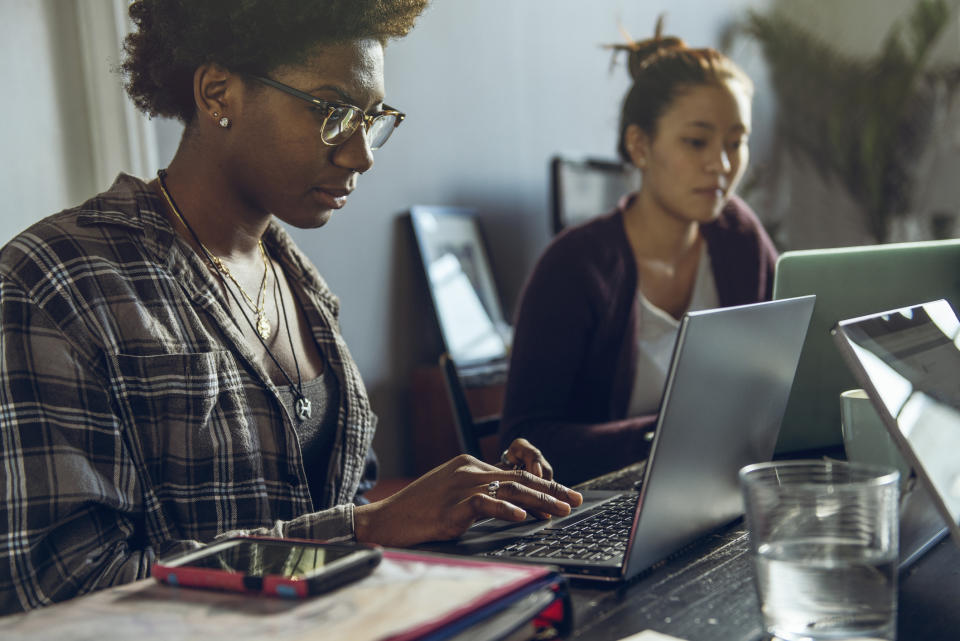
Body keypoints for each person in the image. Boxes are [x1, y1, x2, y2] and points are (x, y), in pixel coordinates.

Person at [0, 0, 582, 614]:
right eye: (333, 112)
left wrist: (467, 503)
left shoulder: (301, 285)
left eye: (373, 117)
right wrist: (365, 529)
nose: (362, 155)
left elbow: (342, 508)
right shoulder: (59, 282)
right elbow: (59, 587)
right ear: (218, 93)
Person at [499, 20, 778, 486]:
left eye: (736, 142)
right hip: (596, 505)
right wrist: (667, 436)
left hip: (718, 490)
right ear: (640, 145)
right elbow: (525, 440)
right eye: (696, 141)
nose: (723, 165)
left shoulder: (740, 239)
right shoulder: (574, 267)